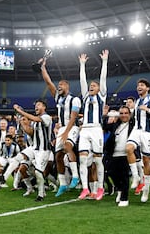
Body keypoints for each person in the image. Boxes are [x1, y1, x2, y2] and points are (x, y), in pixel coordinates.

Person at [40, 56, 82, 197]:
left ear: (67, 86)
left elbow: (74, 117)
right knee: (58, 156)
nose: (58, 87)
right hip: (62, 128)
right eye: (58, 85)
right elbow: (48, 82)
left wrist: (66, 132)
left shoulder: (75, 99)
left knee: (67, 147)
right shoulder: (58, 98)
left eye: (61, 85)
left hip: (72, 127)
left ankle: (75, 176)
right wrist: (43, 67)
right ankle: (63, 183)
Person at [77, 50, 108, 201]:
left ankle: (100, 187)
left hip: (96, 129)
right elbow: (82, 80)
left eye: (94, 85)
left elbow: (103, 78)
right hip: (85, 129)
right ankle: (84, 188)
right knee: (82, 159)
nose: (91, 86)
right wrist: (82, 64)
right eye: (91, 85)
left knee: (97, 160)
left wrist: (104, 62)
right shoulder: (85, 97)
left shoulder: (102, 95)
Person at [125, 78, 150, 203]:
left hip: (148, 133)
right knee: (128, 148)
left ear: (147, 88)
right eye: (138, 85)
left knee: (146, 160)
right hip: (137, 130)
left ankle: (146, 190)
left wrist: (148, 110)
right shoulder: (137, 102)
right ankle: (135, 176)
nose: (139, 87)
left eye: (142, 85)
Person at [13, 99, 53, 202]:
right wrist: (21, 122)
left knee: (38, 173)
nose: (36, 107)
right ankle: (5, 178)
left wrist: (20, 111)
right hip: (34, 148)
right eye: (35, 105)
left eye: (38, 105)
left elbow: (36, 119)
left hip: (43, 150)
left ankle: (41, 194)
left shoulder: (47, 117)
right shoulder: (35, 123)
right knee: (18, 158)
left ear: (44, 107)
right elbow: (30, 132)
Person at [103, 105, 134, 207]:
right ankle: (119, 189)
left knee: (124, 176)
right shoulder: (116, 125)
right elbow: (105, 127)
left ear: (129, 114)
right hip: (113, 153)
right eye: (121, 113)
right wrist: (104, 115)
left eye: (126, 113)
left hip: (126, 154)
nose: (123, 115)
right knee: (111, 172)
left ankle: (124, 198)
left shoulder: (133, 125)